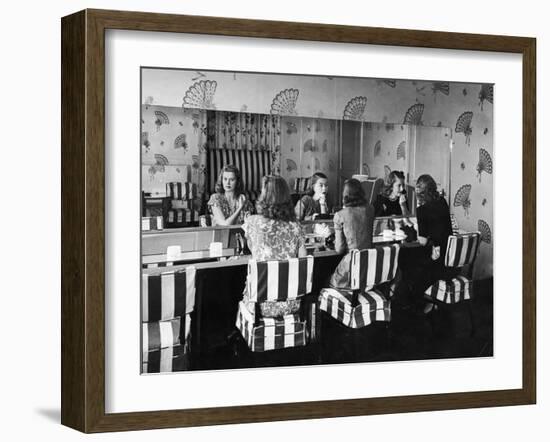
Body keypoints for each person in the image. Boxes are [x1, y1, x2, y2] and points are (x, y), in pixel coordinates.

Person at [242, 175, 307, 316]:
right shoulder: (296, 227)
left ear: (264, 195)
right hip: (291, 303)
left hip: (259, 304)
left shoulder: (252, 222)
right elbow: (303, 262)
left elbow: (253, 250)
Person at [395, 174, 455, 312]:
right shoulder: (443, 202)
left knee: (405, 258)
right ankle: (416, 298)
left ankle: (412, 301)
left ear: (419, 193)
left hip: (437, 262)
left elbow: (422, 241)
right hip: (449, 258)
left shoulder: (422, 210)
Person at [329, 179, 375, 288]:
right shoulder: (370, 209)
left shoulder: (340, 215)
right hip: (369, 265)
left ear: (345, 195)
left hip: (350, 267)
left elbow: (339, 249)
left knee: (326, 278)